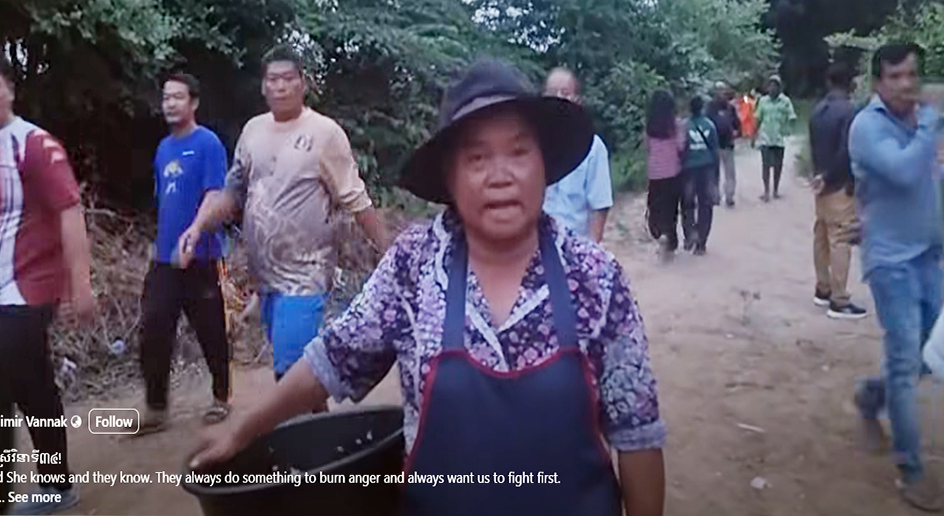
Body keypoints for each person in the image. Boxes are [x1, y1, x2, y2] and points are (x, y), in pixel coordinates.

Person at [189, 59, 667, 516]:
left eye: (519, 152)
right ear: (450, 178)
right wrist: (244, 431)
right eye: (477, 157)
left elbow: (638, 435)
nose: (500, 175)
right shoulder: (414, 265)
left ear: (545, 166)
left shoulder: (596, 277)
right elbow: (333, 359)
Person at [177, 46, 389, 411]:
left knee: (290, 375)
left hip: (306, 272)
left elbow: (357, 199)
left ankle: (304, 455)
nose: (280, 87)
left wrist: (390, 252)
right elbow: (233, 192)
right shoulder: (253, 131)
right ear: (263, 86)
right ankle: (321, 444)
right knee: (299, 379)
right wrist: (198, 227)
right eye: (272, 79)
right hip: (266, 279)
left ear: (303, 83)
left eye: (288, 79)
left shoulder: (324, 132)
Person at [0, 46, 95, 515]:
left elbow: (69, 210)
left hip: (31, 286)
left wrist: (81, 284)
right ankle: (58, 487)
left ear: (10, 91)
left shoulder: (34, 144)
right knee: (33, 382)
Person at [849, 44, 944, 512]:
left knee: (929, 355)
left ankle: (871, 395)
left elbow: (931, 182)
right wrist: (931, 120)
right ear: (876, 84)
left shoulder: (920, 122)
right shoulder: (867, 127)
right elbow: (906, 173)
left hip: (929, 256)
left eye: (912, 74)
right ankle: (911, 469)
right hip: (890, 262)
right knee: (907, 361)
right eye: (895, 76)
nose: (907, 84)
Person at [135, 73, 231, 434]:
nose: (170, 103)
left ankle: (222, 396)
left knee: (210, 330)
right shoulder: (163, 149)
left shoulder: (208, 144)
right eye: (166, 98)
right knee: (154, 327)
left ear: (194, 102)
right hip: (165, 259)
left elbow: (215, 194)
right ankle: (157, 409)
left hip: (202, 255)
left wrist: (195, 230)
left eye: (178, 97)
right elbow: (165, 202)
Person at [808, 63, 867, 320]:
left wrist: (819, 176)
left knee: (821, 233)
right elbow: (847, 150)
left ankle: (823, 288)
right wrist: (836, 178)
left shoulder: (817, 110)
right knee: (840, 238)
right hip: (840, 183)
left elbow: (814, 146)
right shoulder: (849, 111)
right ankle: (839, 299)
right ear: (850, 84)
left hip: (821, 183)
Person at [542, 67, 613, 243]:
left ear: (577, 100)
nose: (559, 99)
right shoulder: (532, 143)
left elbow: (600, 205)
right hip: (535, 246)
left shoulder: (593, 147)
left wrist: (592, 251)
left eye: (565, 93)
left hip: (574, 244)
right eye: (553, 93)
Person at [644, 89, 684, 261]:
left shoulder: (649, 126)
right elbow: (681, 147)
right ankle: (670, 239)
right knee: (671, 210)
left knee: (655, 208)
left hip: (655, 174)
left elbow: (647, 147)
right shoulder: (676, 125)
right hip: (673, 173)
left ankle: (658, 233)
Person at [681, 95, 719, 256]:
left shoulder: (684, 126)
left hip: (689, 169)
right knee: (705, 205)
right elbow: (714, 151)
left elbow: (680, 150)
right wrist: (716, 175)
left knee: (687, 204)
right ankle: (702, 243)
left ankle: (690, 233)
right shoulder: (710, 125)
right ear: (702, 108)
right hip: (707, 168)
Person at [753, 75, 797, 201]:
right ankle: (766, 191)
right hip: (766, 138)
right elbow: (758, 118)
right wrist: (753, 136)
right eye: (770, 85)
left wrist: (787, 129)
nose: (772, 88)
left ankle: (775, 190)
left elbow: (792, 116)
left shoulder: (785, 101)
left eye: (775, 85)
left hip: (779, 139)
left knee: (778, 166)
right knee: (765, 165)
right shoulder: (763, 101)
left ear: (779, 87)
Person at [706, 81, 740, 207]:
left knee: (730, 172)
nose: (721, 93)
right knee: (714, 172)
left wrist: (736, 132)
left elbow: (737, 124)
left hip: (728, 144)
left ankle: (729, 196)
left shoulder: (730, 108)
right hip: (714, 145)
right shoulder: (710, 107)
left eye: (723, 90)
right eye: (718, 90)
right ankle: (715, 196)